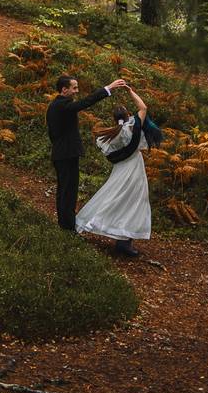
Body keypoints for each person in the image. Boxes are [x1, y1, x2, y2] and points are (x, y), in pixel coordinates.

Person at [76, 85, 155, 257]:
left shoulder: (112, 135)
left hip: (120, 170)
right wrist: (131, 91)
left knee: (114, 196)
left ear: (114, 118)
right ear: (128, 115)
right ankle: (124, 242)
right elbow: (143, 108)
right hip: (134, 169)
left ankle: (103, 227)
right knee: (133, 202)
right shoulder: (132, 126)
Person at [47, 75, 127, 231]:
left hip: (62, 153)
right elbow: (85, 102)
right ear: (64, 90)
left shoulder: (56, 105)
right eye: (74, 88)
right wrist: (108, 89)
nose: (77, 91)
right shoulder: (62, 106)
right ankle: (68, 227)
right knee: (68, 191)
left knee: (65, 190)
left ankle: (65, 224)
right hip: (66, 154)